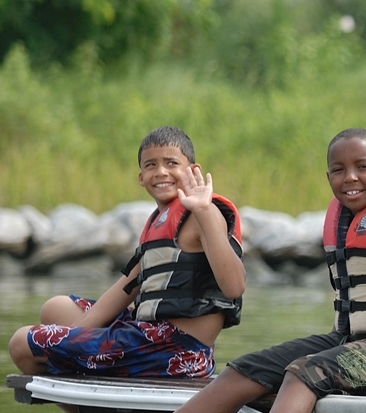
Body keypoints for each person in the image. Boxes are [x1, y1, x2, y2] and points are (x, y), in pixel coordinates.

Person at [147, 129, 366, 413]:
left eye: (362, 167)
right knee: (245, 370)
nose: (350, 177)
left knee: (307, 371)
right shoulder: (344, 215)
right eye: (338, 170)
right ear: (328, 176)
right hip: (350, 340)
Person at [9, 126, 245, 379]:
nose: (161, 171)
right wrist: (74, 339)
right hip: (147, 335)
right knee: (56, 309)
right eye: (151, 165)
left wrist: (204, 211)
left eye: (171, 163)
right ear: (141, 177)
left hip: (179, 350)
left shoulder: (204, 215)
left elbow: (234, 287)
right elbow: (126, 287)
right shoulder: (159, 222)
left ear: (193, 171)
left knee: (22, 343)